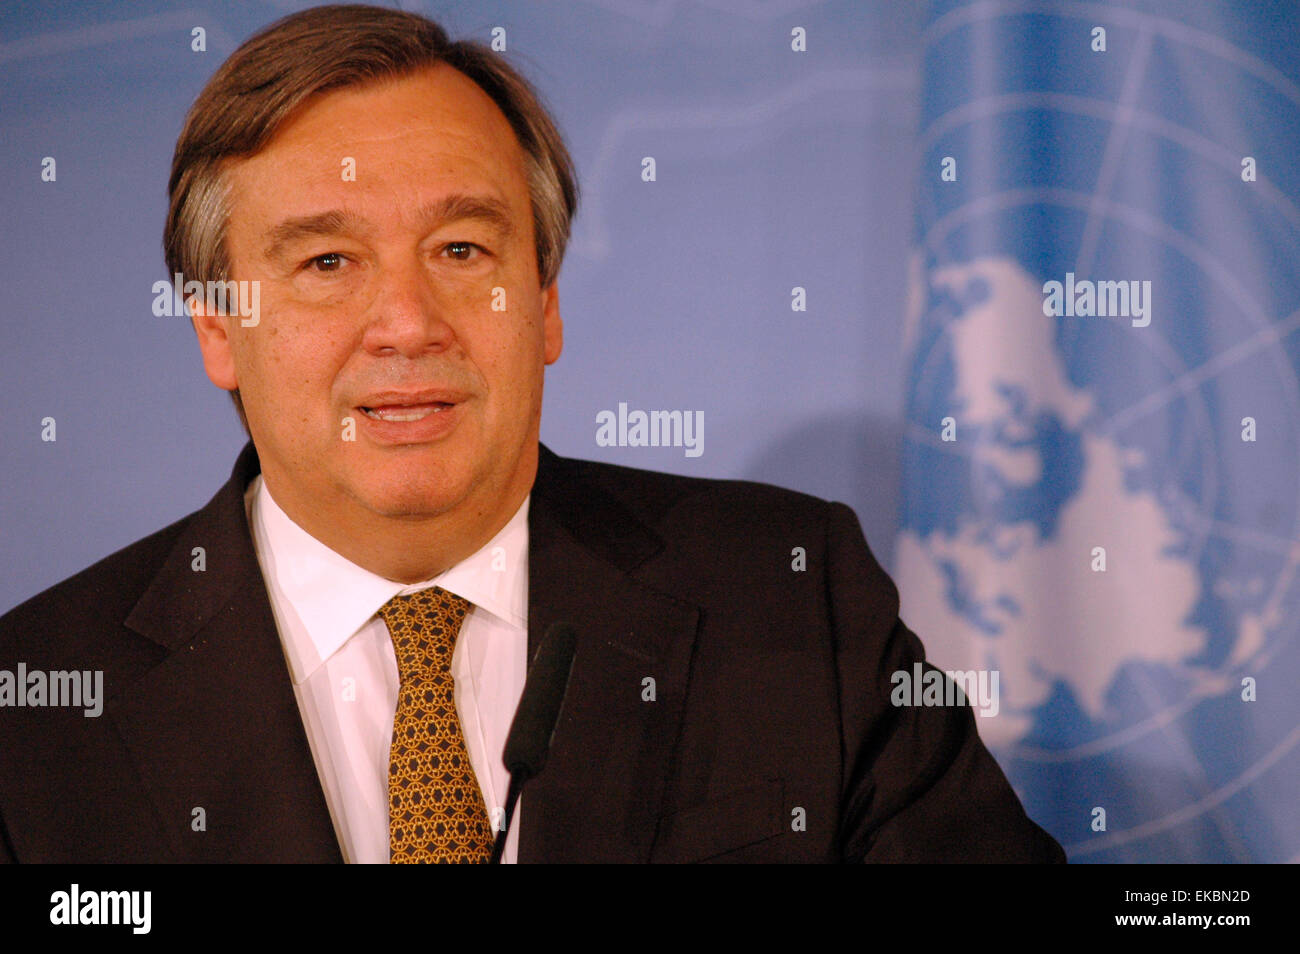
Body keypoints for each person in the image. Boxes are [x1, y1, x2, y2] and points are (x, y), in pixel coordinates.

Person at [0, 3, 1064, 864]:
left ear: (544, 302)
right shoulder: (37, 709)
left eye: (463, 250)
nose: (409, 323)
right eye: (326, 263)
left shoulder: (792, 598)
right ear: (219, 330)